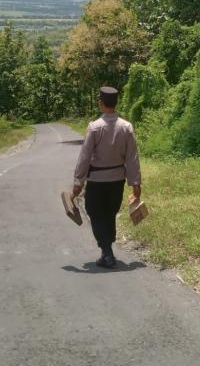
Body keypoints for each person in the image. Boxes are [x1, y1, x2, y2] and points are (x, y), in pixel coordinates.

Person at [72, 86, 141, 268]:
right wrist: (135, 183)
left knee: (95, 214)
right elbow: (132, 157)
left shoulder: (94, 128)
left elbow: (84, 157)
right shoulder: (127, 127)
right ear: (115, 103)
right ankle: (106, 250)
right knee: (110, 214)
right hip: (117, 180)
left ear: (101, 104)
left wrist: (78, 182)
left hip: (97, 181)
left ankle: (107, 253)